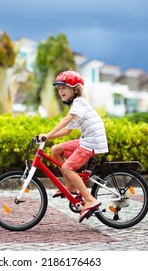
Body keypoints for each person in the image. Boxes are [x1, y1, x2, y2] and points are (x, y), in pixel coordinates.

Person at [38, 70, 109, 223]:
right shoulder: (76, 106)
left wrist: (48, 134)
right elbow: (67, 130)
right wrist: (47, 137)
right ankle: (71, 186)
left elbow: (65, 121)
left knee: (67, 168)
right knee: (55, 150)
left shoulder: (79, 103)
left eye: (64, 87)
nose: (60, 91)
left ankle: (90, 200)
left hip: (92, 142)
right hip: (87, 139)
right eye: (58, 88)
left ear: (75, 89)